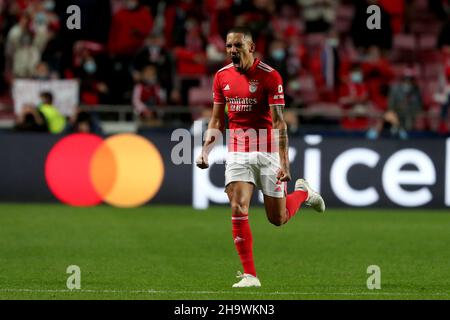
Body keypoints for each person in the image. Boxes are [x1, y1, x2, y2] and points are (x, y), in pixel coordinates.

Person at [196, 27, 326, 288]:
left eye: (238, 46)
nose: (232, 51)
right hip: (238, 150)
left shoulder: (270, 76)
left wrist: (285, 163)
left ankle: (303, 192)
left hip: (267, 151)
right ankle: (250, 275)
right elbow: (216, 119)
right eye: (229, 46)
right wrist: (205, 151)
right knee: (237, 205)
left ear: (251, 48)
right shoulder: (221, 77)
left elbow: (279, 123)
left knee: (277, 219)